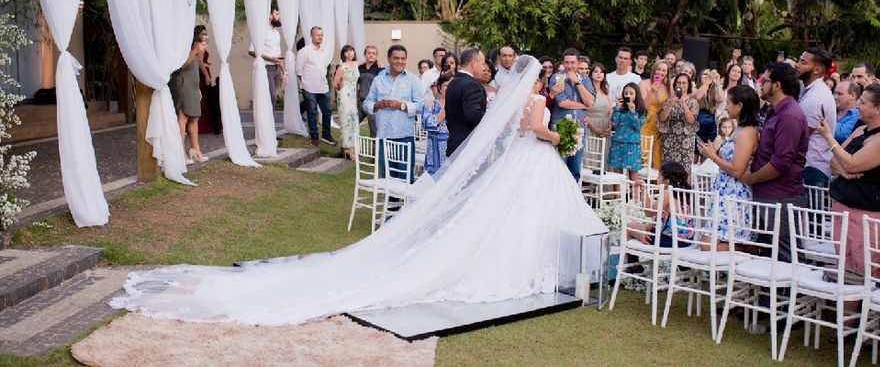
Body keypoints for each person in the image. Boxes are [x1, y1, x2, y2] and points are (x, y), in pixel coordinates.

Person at [110, 55, 607, 324]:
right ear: (536, 77)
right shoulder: (538, 101)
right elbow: (533, 130)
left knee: (509, 216)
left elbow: (513, 130)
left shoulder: (513, 99)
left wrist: (547, 133)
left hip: (522, 164)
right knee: (518, 218)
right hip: (535, 159)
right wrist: (561, 135)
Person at [818, 84, 880, 284]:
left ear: (879, 108)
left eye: (863, 102)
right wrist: (846, 172)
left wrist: (829, 138)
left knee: (866, 272)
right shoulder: (861, 130)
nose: (857, 105)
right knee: (845, 269)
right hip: (843, 206)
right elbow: (834, 161)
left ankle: (863, 313)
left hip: (868, 214)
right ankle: (845, 312)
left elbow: (850, 162)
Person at [741, 63, 809, 263]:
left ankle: (787, 294)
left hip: (781, 196)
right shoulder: (776, 110)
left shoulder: (790, 115)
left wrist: (750, 178)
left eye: (765, 81)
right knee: (768, 254)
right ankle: (767, 294)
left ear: (777, 85)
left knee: (786, 256)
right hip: (768, 194)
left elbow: (781, 163)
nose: (761, 85)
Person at [698, 85, 760, 250]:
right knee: (705, 243)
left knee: (707, 246)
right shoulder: (737, 128)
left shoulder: (747, 132)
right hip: (724, 191)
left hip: (735, 193)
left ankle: (750, 248)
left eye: (729, 103)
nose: (726, 107)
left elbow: (737, 170)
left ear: (739, 106)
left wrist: (713, 156)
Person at [364, 45, 423, 181]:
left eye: (403, 58)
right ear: (389, 59)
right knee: (387, 179)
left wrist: (401, 105)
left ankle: (406, 203)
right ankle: (390, 202)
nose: (400, 61)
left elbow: (420, 106)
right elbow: (367, 104)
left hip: (405, 136)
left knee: (405, 178)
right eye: (396, 58)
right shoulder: (379, 79)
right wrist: (379, 104)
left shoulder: (413, 80)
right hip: (384, 136)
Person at [550, 48, 596, 181]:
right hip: (561, 127)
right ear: (563, 63)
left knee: (575, 170)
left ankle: (572, 200)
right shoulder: (557, 78)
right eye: (567, 62)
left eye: (573, 62)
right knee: (560, 166)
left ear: (578, 63)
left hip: (579, 128)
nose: (569, 66)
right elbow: (562, 102)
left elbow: (590, 102)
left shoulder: (585, 80)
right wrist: (584, 106)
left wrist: (577, 82)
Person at [626, 162, 693, 249]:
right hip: (685, 240)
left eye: (659, 175)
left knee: (628, 228)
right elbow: (654, 218)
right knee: (638, 227)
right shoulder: (682, 193)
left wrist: (643, 190)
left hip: (669, 240)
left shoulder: (667, 192)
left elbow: (649, 212)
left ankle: (634, 261)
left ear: (667, 181)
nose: (657, 178)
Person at [797, 47, 838, 188]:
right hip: (811, 166)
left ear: (817, 70)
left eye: (803, 62)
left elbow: (800, 135)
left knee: (808, 210)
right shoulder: (810, 90)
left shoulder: (815, 97)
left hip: (812, 167)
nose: (797, 65)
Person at [169, 26, 209, 164]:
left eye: (206, 34)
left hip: (193, 84)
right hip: (182, 82)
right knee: (183, 116)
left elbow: (197, 65)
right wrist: (194, 51)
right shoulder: (183, 45)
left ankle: (195, 148)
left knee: (195, 116)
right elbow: (182, 65)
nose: (205, 36)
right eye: (203, 34)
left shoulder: (197, 46)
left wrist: (198, 87)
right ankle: (180, 151)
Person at [296, 26, 335, 146]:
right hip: (309, 87)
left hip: (323, 86)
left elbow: (325, 67)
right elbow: (298, 70)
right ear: (311, 36)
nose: (320, 37)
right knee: (312, 111)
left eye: (322, 35)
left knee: (327, 111)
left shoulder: (325, 51)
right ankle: (314, 135)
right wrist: (305, 83)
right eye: (318, 35)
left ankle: (326, 134)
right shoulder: (304, 51)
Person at [444, 48, 487, 156]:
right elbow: (473, 115)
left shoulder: (454, 82)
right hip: (468, 147)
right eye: (482, 64)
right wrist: (492, 117)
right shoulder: (471, 85)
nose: (484, 68)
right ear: (474, 63)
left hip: (455, 142)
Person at [658, 72, 699, 175]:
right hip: (669, 140)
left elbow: (691, 120)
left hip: (685, 141)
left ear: (689, 85)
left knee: (684, 171)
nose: (681, 85)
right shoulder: (668, 100)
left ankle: (682, 191)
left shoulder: (693, 102)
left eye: (684, 83)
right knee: (668, 171)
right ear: (675, 84)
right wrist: (670, 105)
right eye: (679, 82)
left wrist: (684, 104)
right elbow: (662, 118)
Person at [248, 7, 284, 109]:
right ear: (269, 16)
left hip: (277, 69)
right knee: (272, 97)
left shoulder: (277, 34)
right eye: (277, 14)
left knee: (273, 98)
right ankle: (265, 121)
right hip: (266, 68)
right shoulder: (260, 32)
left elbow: (279, 55)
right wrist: (269, 59)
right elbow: (251, 51)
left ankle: (269, 121)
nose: (279, 17)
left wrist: (284, 72)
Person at [609, 82, 645, 181]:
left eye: (631, 93)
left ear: (636, 95)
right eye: (626, 93)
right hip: (617, 144)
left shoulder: (641, 110)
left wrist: (633, 111)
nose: (628, 95)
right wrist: (617, 107)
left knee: (633, 175)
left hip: (632, 145)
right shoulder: (619, 109)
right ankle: (618, 197)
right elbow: (613, 124)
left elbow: (638, 126)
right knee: (617, 175)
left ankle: (635, 196)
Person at [639, 60, 670, 169]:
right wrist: (652, 91)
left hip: (661, 126)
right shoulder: (644, 83)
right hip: (647, 124)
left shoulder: (668, 87)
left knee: (657, 160)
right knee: (644, 157)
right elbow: (644, 107)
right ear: (654, 70)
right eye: (659, 69)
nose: (660, 72)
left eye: (664, 70)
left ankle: (655, 186)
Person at [421, 72, 453, 175]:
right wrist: (446, 109)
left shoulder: (460, 106)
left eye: (453, 86)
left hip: (452, 152)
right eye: (447, 85)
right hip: (434, 154)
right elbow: (427, 124)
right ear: (439, 86)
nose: (450, 89)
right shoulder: (431, 104)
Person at [332, 45, 360, 160]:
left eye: (351, 51)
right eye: (346, 52)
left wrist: (379, 61)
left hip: (353, 97)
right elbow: (334, 83)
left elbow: (367, 61)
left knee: (354, 121)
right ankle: (347, 148)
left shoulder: (356, 64)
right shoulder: (341, 67)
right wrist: (340, 86)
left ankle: (353, 147)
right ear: (343, 54)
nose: (349, 53)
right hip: (344, 96)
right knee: (345, 121)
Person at [584, 63, 613, 154]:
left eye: (601, 72)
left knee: (603, 156)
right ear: (591, 74)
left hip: (605, 128)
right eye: (596, 71)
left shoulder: (606, 91)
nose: (599, 74)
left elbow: (610, 110)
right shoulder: (586, 90)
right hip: (590, 127)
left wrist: (610, 127)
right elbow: (584, 112)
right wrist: (594, 128)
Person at [694, 70, 721, 163]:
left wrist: (717, 84)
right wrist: (706, 83)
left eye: (710, 75)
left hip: (710, 129)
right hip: (696, 129)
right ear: (700, 76)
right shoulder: (694, 88)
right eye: (705, 74)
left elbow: (722, 100)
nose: (708, 76)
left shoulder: (713, 91)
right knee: (693, 159)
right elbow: (697, 96)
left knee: (705, 161)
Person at [357, 45, 383, 138]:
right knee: (352, 126)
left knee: (374, 131)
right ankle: (347, 150)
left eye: (374, 53)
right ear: (365, 54)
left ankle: (375, 152)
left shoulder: (381, 70)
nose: (371, 55)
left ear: (376, 56)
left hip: (373, 104)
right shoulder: (360, 68)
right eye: (369, 53)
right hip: (361, 103)